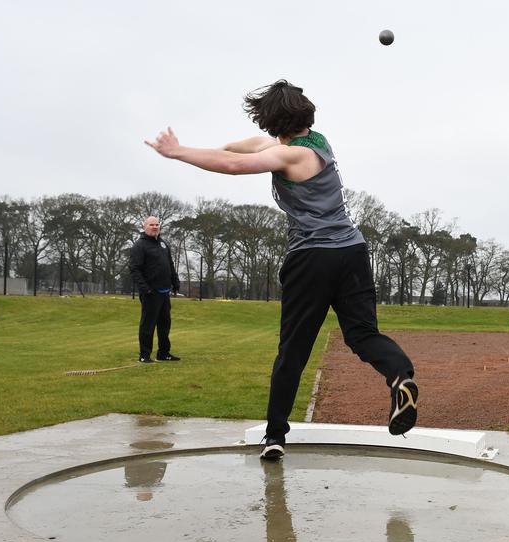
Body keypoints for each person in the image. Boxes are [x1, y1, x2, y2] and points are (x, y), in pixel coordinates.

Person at [145, 80, 418, 460]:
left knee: (293, 350)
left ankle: (275, 435)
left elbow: (234, 164)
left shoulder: (289, 157)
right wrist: (209, 148)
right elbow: (239, 148)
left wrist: (178, 153)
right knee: (362, 334)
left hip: (313, 258)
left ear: (274, 124)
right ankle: (400, 377)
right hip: (352, 252)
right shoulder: (316, 143)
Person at [129, 216, 181, 363]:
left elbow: (170, 265)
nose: (155, 227)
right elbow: (134, 269)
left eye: (157, 224)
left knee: (165, 325)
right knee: (148, 325)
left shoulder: (163, 244)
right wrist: (145, 288)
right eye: (151, 224)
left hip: (165, 292)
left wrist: (175, 281)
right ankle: (144, 355)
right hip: (150, 293)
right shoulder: (139, 246)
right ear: (144, 227)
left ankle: (164, 353)